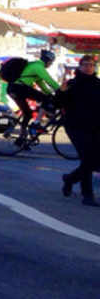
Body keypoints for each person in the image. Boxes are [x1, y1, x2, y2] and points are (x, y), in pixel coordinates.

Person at [60, 54, 100, 205]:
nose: (88, 67)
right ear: (80, 66)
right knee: (88, 159)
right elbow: (59, 103)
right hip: (76, 126)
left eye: (91, 65)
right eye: (85, 64)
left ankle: (70, 179)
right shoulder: (72, 84)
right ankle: (87, 196)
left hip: (95, 127)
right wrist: (61, 92)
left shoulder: (98, 84)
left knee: (95, 161)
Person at [4, 49, 59, 128]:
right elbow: (49, 81)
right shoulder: (38, 67)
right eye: (51, 62)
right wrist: (61, 90)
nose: (51, 64)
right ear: (48, 61)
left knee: (28, 114)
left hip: (12, 88)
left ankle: (22, 136)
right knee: (46, 99)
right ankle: (36, 122)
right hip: (20, 88)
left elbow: (42, 85)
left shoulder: (34, 65)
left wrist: (50, 93)